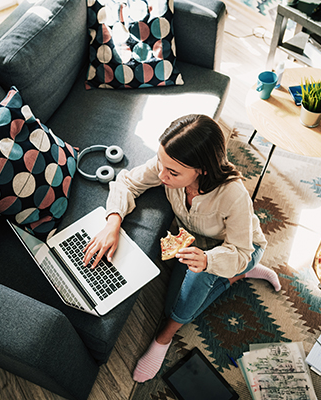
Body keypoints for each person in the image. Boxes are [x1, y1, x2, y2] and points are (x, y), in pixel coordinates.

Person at [83, 114, 281, 383]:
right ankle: (236, 278)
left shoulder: (233, 196)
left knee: (183, 305)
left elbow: (241, 250)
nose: (162, 176)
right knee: (171, 306)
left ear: (202, 169)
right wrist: (112, 224)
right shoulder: (167, 165)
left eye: (172, 173)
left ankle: (163, 338)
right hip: (195, 244)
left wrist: (209, 261)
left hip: (239, 250)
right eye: (161, 164)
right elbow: (128, 181)